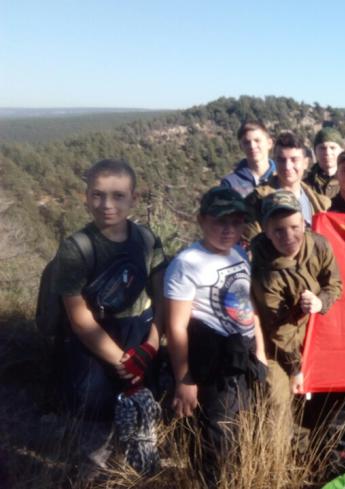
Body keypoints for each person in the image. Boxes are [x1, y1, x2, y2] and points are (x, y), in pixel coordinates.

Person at [53, 159, 165, 474]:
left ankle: (135, 467)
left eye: (118, 196)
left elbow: (162, 296)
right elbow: (79, 319)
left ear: (133, 198)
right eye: (98, 195)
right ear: (86, 197)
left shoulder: (147, 239)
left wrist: (151, 345)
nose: (107, 205)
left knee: (141, 408)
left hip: (140, 334)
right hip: (96, 341)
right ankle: (93, 473)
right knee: (95, 414)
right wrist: (123, 362)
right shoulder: (76, 248)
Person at [164, 186, 268, 486]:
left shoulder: (239, 253)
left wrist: (260, 352)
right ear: (201, 220)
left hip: (243, 358)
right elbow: (176, 326)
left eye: (236, 222)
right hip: (213, 365)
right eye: (220, 222)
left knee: (243, 429)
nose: (228, 229)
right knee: (218, 439)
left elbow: (249, 306)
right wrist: (184, 379)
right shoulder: (186, 264)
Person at [250, 191, 342, 409]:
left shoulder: (319, 246)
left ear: (303, 223)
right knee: (277, 399)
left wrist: (321, 302)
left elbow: (334, 284)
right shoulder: (264, 271)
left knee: (327, 403)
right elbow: (280, 330)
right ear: (266, 232)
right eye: (278, 231)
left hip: (316, 336)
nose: (288, 236)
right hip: (275, 345)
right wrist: (297, 369)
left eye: (294, 227)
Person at [243, 132, 331, 242]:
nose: (287, 166)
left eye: (294, 160)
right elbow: (252, 243)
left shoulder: (320, 204)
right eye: (281, 160)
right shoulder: (257, 201)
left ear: (305, 163)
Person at [220, 120, 276, 198]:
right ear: (241, 147)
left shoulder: (283, 177)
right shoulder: (230, 183)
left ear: (269, 143)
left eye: (257, 140)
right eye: (246, 142)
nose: (252, 146)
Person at [304, 127, 344, 198]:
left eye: (332, 148)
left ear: (341, 151)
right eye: (322, 148)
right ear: (315, 151)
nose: (327, 153)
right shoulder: (304, 185)